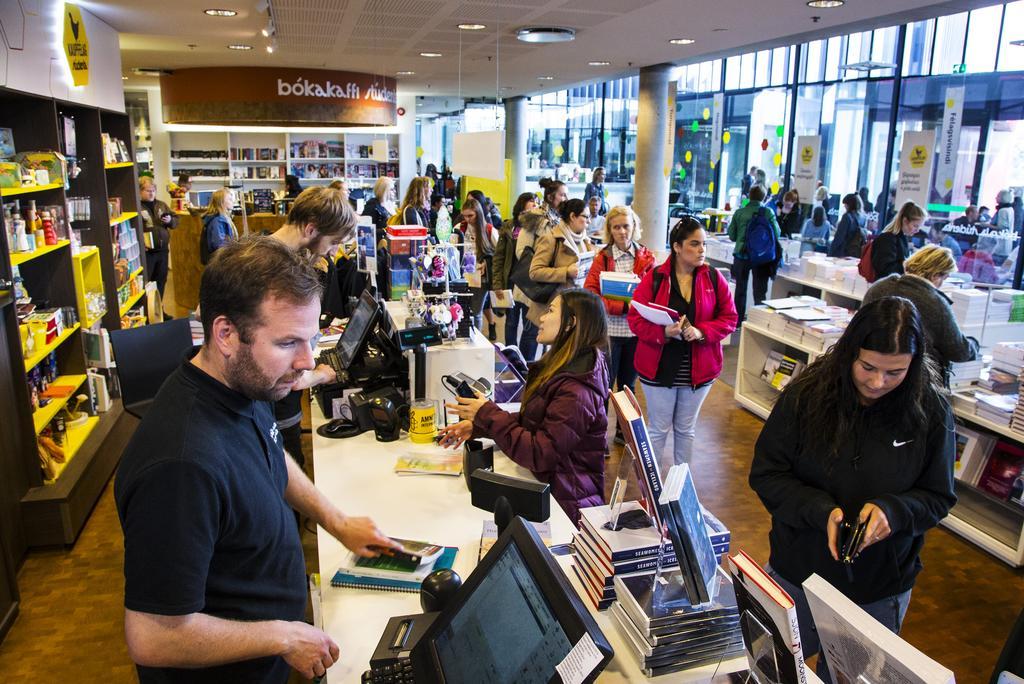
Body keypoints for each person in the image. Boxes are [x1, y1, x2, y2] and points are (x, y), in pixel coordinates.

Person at [115, 237, 398, 682]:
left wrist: (337, 521)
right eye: (288, 343)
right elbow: (153, 635)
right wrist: (283, 637)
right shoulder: (180, 466)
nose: (305, 362)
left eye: (310, 339)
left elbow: (269, 453)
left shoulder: (246, 381)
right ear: (226, 334)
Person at [749, 296, 956, 684]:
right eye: (868, 367)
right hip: (798, 572)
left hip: (878, 590)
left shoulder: (931, 410)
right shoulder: (806, 394)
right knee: (767, 671)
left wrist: (893, 512)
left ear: (914, 366)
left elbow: (938, 497)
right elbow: (767, 474)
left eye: (895, 373)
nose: (878, 383)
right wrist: (820, 511)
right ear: (850, 352)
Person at [437, 288, 610, 525]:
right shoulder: (565, 367)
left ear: (571, 323)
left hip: (565, 506)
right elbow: (540, 423)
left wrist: (486, 413)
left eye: (550, 311)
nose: (541, 318)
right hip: (551, 489)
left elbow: (539, 453)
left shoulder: (577, 390)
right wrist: (480, 425)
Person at [628, 217, 738, 465]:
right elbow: (635, 319)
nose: (702, 250)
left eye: (704, 244)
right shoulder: (655, 277)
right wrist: (663, 333)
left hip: (698, 369)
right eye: (694, 244)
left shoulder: (713, 277)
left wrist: (701, 332)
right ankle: (653, 495)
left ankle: (681, 493)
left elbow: (730, 318)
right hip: (658, 367)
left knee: (686, 431)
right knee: (657, 430)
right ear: (677, 247)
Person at [269, 187, 358, 466]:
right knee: (287, 469)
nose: (333, 251)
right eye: (333, 242)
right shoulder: (274, 271)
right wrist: (316, 376)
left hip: (271, 406)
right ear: (310, 229)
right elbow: (275, 361)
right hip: (274, 410)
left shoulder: (264, 254)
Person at [864, 245, 977, 387]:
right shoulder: (936, 303)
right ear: (936, 275)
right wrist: (974, 344)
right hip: (917, 381)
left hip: (872, 371)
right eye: (944, 278)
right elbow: (959, 351)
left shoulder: (879, 287)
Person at [584, 206, 654, 408]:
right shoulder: (602, 258)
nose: (622, 232)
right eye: (616, 227)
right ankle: (600, 433)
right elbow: (592, 294)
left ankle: (625, 433)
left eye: (626, 226)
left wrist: (636, 307)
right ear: (610, 230)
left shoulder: (647, 257)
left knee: (628, 387)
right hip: (609, 334)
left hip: (635, 334)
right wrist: (624, 307)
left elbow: (654, 295)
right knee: (604, 386)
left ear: (634, 227)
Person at [528, 199, 596, 327]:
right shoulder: (551, 238)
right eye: (586, 217)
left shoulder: (584, 240)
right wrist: (566, 272)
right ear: (572, 216)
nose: (589, 221)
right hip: (555, 305)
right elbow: (534, 272)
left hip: (577, 304)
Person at [728, 183, 781, 322]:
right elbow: (777, 233)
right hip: (761, 256)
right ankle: (758, 321)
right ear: (764, 197)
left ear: (750, 196)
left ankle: (737, 321)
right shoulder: (768, 212)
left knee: (740, 289)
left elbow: (732, 235)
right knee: (760, 291)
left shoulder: (739, 213)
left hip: (741, 254)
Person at [493, 192, 538, 352]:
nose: (528, 216)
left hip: (531, 285)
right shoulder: (508, 227)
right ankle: (511, 356)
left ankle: (526, 363)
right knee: (511, 323)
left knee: (529, 326)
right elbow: (498, 258)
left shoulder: (539, 228)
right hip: (510, 282)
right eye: (525, 212)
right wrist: (497, 284)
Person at [459, 198, 500, 340]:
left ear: (478, 213)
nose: (467, 219)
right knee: (462, 310)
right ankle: (465, 337)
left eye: (471, 215)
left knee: (476, 311)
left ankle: (475, 340)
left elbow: (499, 254)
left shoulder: (489, 230)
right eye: (464, 215)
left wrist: (486, 263)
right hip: (461, 276)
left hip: (480, 278)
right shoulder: (460, 227)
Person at [138, 176, 179, 299]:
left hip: (162, 250)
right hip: (147, 252)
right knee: (148, 282)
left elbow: (176, 221)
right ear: (140, 191)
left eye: (153, 191)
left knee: (161, 281)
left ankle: (159, 311)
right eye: (148, 191)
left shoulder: (161, 205)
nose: (151, 193)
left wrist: (170, 220)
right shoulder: (137, 206)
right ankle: (148, 313)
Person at [871, 201, 924, 280]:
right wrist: (911, 264)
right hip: (885, 287)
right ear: (905, 221)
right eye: (915, 226)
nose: (917, 230)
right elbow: (885, 270)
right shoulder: (887, 239)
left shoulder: (901, 238)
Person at [200, 188, 236, 265]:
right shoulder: (218, 220)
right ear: (221, 202)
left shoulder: (223, 218)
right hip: (219, 262)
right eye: (229, 199)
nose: (233, 201)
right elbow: (219, 244)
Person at [829, 193, 866, 258]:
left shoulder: (847, 217)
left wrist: (830, 252)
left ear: (849, 205)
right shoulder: (862, 217)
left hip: (843, 252)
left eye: (845, 204)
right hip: (855, 252)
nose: (845, 206)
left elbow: (839, 237)